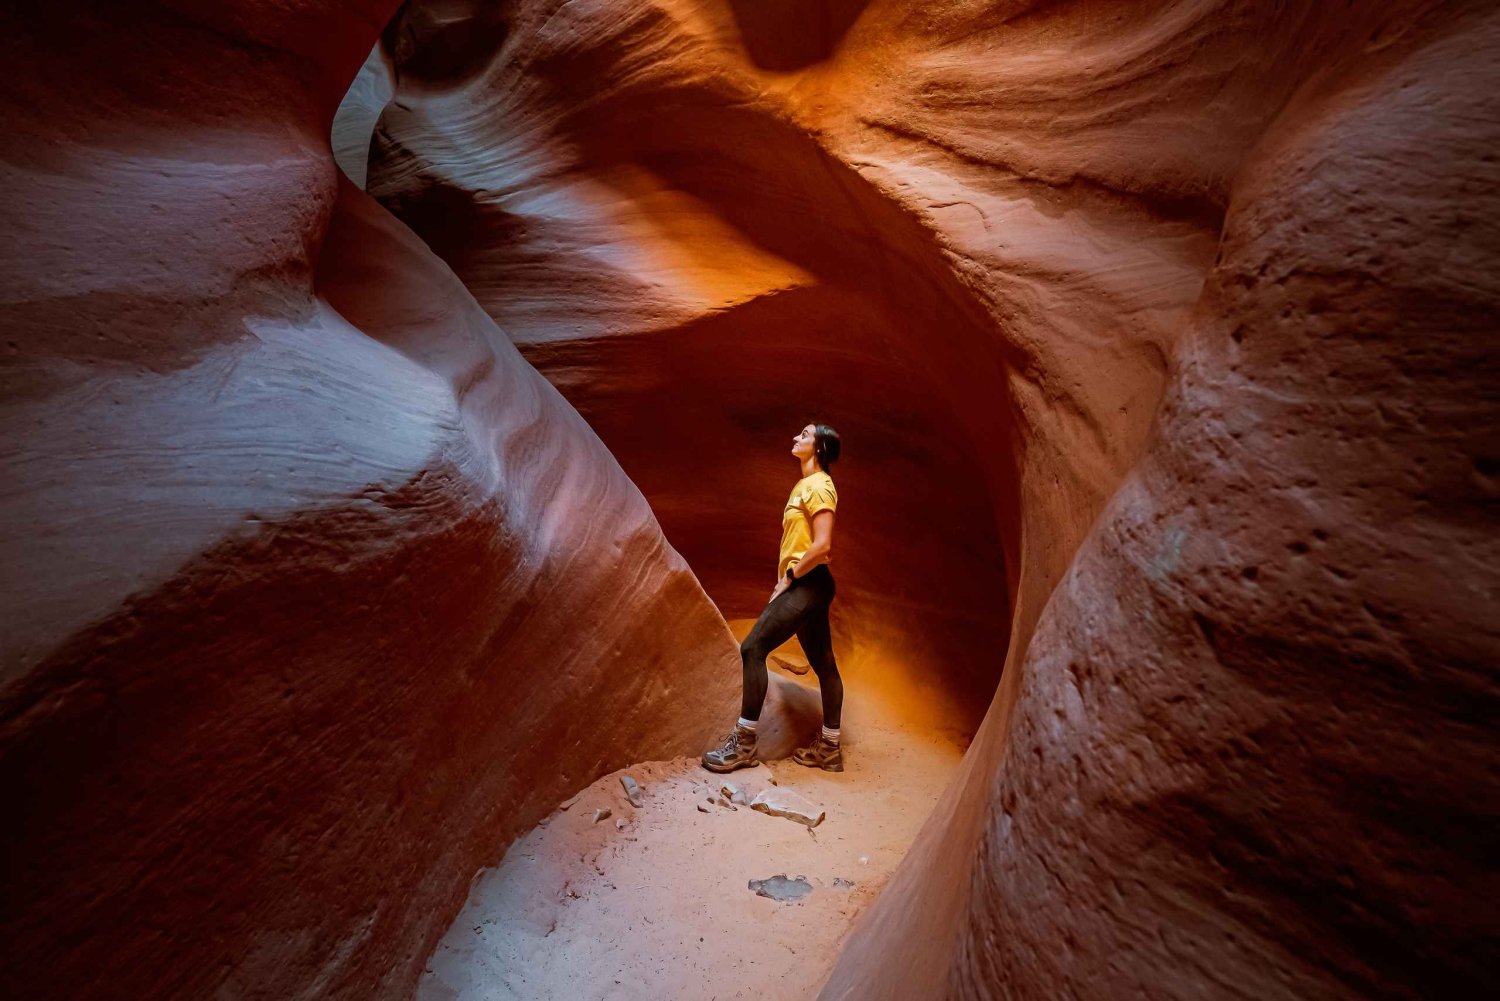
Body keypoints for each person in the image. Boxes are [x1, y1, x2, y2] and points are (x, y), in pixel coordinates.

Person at [703, 422, 845, 773]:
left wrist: (791, 578)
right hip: (808, 584)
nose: (796, 438)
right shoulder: (804, 485)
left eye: (805, 436)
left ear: (820, 449)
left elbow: (823, 545)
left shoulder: (820, 485)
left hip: (809, 584)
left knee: (753, 648)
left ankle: (744, 744)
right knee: (824, 664)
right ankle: (829, 748)